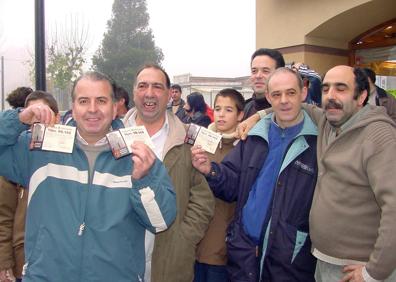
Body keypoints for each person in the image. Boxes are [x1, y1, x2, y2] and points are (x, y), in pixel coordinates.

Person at [0, 71, 177, 282]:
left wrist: (144, 180)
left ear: (115, 109)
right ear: (73, 109)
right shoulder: (40, 148)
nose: (92, 109)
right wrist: (18, 119)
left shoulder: (139, 156)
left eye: (101, 101)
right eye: (84, 101)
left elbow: (161, 222)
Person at [239, 65, 396, 282]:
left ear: (361, 97)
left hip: (356, 267)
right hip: (323, 261)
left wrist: (374, 272)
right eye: (326, 89)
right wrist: (256, 116)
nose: (331, 96)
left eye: (341, 89)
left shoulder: (379, 135)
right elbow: (289, 105)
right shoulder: (327, 121)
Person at [191, 67, 318, 281]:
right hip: (244, 255)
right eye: (277, 94)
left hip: (289, 263)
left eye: (291, 93)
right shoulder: (253, 136)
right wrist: (210, 169)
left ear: (303, 93)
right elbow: (232, 184)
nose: (284, 100)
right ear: (268, 97)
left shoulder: (319, 142)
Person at [123, 64, 215, 282]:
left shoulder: (186, 138)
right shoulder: (113, 135)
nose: (149, 93)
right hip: (119, 256)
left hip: (169, 259)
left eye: (157, 87)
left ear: (169, 95)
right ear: (134, 91)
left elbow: (203, 199)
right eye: (143, 86)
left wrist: (184, 238)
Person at [0, 91, 59, 282]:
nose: (37, 125)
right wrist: (4, 263)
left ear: (57, 117)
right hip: (27, 262)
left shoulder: (71, 154)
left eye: (44, 116)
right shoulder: (19, 159)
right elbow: (4, 218)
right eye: (32, 117)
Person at [194, 88, 245, 282]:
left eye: (229, 110)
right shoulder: (201, 141)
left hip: (223, 240)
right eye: (217, 108)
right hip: (196, 235)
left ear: (241, 115)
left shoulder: (244, 146)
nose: (221, 114)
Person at [243, 48, 285, 119]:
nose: (258, 76)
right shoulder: (244, 108)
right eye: (254, 71)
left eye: (265, 71)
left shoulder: (288, 110)